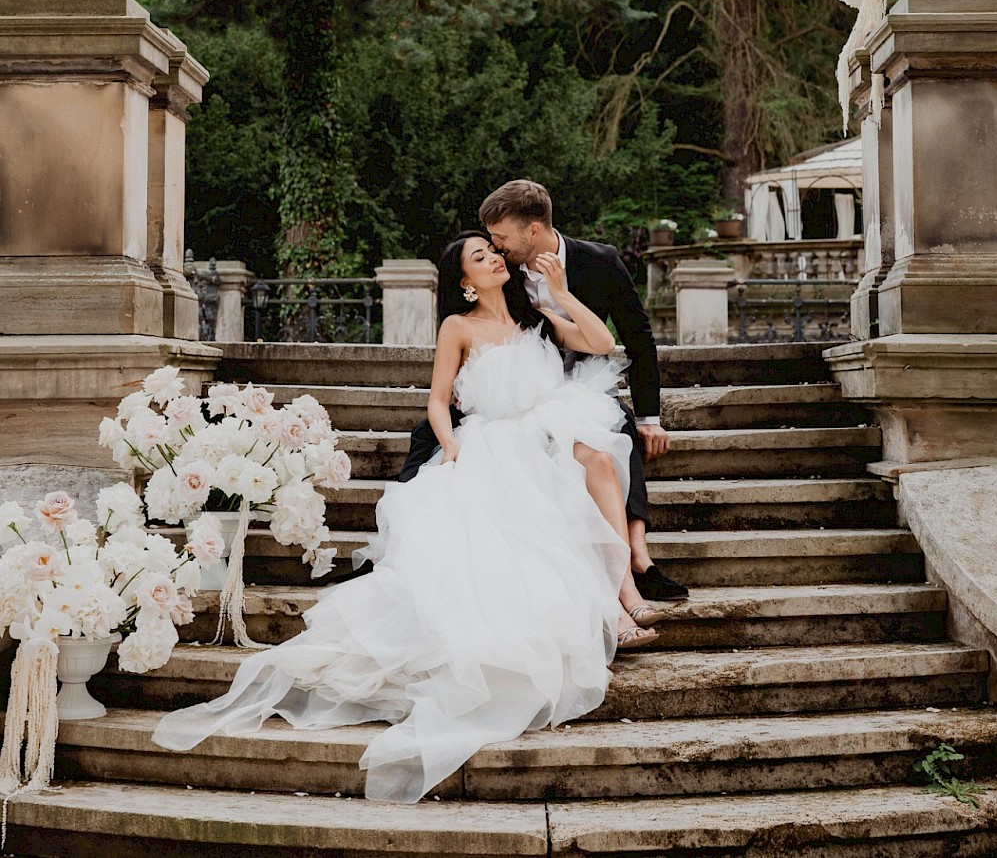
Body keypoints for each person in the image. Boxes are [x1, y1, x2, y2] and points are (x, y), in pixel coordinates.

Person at [151, 232, 671, 802]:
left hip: (547, 426)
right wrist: (449, 444)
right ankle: (614, 597)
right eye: (481, 256)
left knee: (599, 456)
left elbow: (598, 342)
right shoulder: (458, 327)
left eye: (494, 251)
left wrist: (564, 293)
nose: (496, 258)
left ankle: (621, 589)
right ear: (465, 283)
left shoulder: (538, 316)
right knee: (539, 491)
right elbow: (437, 400)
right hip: (492, 436)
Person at [396, 180, 688, 601]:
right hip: (506, 394)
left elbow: (635, 341)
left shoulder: (598, 261)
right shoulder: (504, 272)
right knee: (428, 434)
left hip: (574, 386)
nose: (496, 250)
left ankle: (638, 554)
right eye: (489, 246)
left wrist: (650, 418)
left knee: (618, 426)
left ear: (532, 230)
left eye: (499, 240)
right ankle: (404, 541)